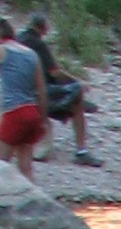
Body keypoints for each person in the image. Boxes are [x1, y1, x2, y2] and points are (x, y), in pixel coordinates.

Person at [17, 12, 101, 170]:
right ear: (44, 27)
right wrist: (77, 81)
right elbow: (55, 72)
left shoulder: (19, 39)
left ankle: (82, 104)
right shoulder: (39, 45)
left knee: (71, 93)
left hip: (21, 91)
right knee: (77, 94)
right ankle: (81, 151)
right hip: (38, 94)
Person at [0, 17, 48, 185]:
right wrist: (43, 119)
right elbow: (42, 90)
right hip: (33, 112)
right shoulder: (32, 54)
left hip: (14, 112)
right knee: (26, 168)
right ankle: (33, 198)